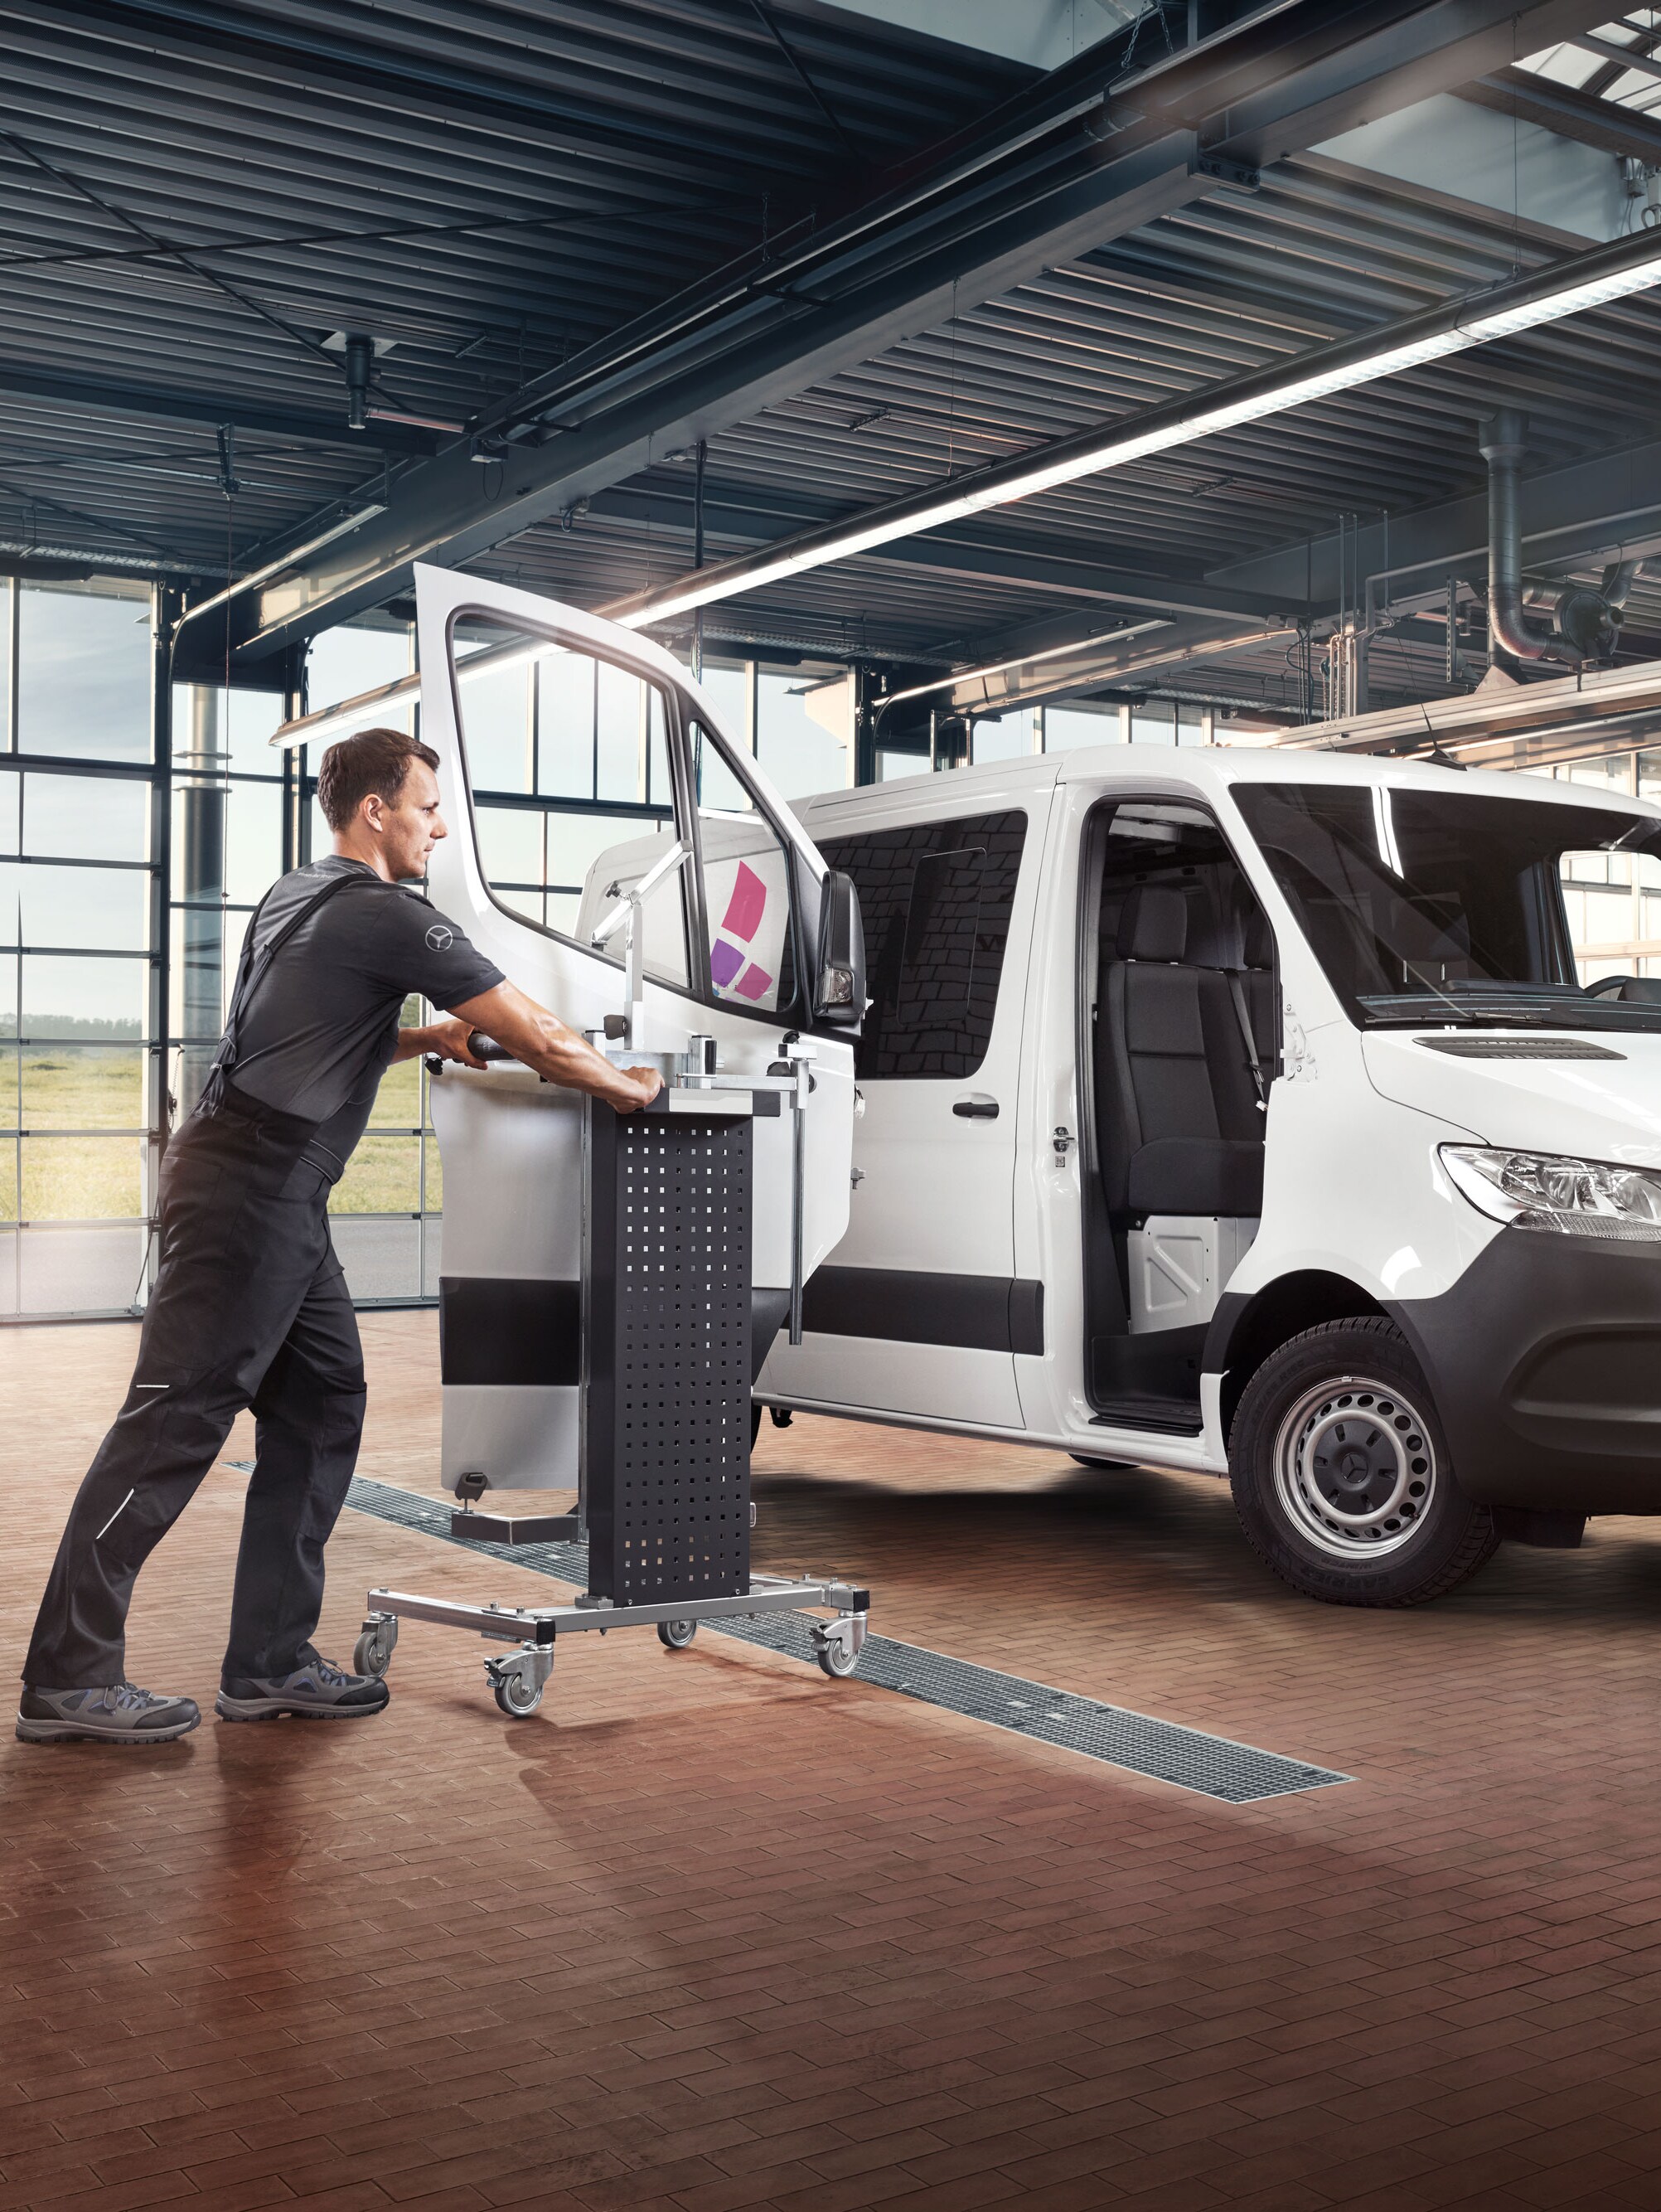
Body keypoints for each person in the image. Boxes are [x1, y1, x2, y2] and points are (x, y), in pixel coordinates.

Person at [18, 726, 661, 1745]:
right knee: (174, 1422)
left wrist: (423, 1036)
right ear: (377, 810)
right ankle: (68, 1674)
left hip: (268, 1184)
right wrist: (628, 1088)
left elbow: (299, 1031)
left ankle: (270, 1661)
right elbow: (535, 1032)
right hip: (253, 1192)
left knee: (324, 1401)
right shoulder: (386, 913)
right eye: (427, 806)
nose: (438, 824)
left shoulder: (294, 893)